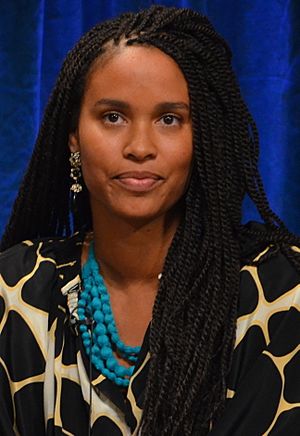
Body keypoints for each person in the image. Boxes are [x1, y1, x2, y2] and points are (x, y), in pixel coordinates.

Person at [0, 5, 300, 436]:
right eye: (113, 117)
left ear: (205, 139)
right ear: (74, 139)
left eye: (169, 119)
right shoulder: (15, 292)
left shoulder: (278, 295)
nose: (140, 146)